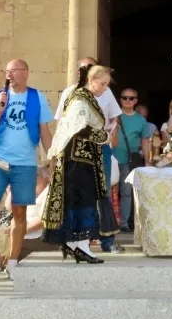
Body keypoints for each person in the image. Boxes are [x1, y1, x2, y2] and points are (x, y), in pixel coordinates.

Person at [0, 59, 53, 281]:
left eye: (14, 71)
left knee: (19, 212)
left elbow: (44, 131)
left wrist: (52, 159)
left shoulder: (37, 97)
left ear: (25, 73)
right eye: (7, 71)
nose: (9, 75)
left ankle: (12, 262)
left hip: (26, 163)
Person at [42, 64, 119, 263]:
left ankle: (75, 244)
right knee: (83, 201)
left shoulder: (85, 98)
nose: (104, 88)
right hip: (78, 160)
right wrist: (104, 136)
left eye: (107, 85)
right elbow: (80, 128)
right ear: (91, 80)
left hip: (83, 159)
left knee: (79, 201)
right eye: (102, 84)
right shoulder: (80, 99)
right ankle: (80, 244)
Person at [113, 87, 152, 233]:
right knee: (109, 193)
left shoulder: (141, 120)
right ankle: (110, 222)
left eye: (131, 98)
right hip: (111, 158)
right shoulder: (113, 116)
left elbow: (145, 141)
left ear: (136, 101)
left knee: (126, 192)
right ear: (120, 99)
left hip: (128, 161)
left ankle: (123, 223)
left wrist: (147, 161)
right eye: (125, 97)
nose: (128, 100)